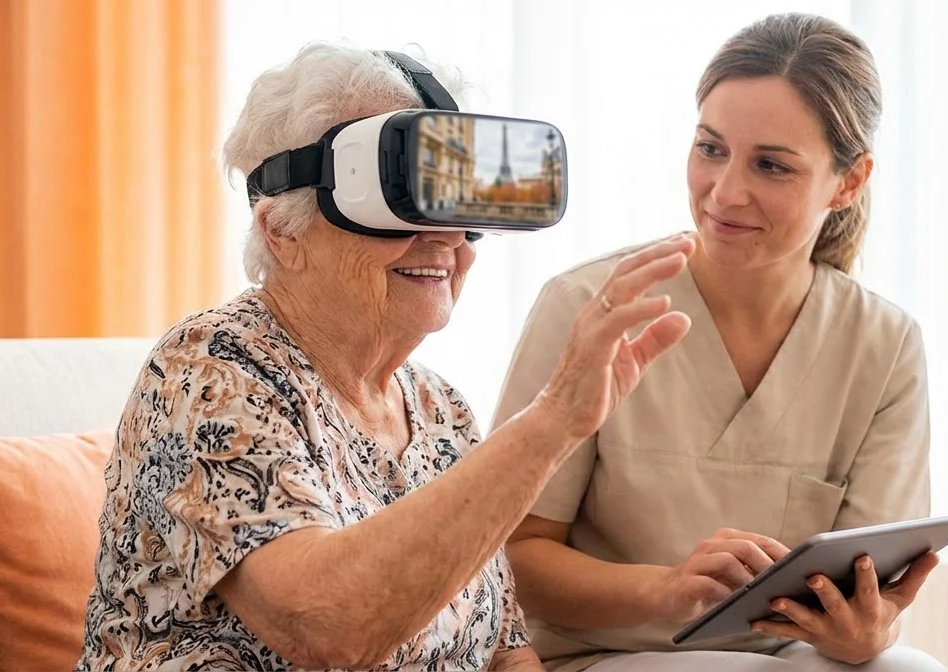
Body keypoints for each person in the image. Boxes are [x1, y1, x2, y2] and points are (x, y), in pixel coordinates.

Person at [76, 43, 700, 672]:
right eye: (397, 196)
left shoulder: (440, 409)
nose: (445, 238)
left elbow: (505, 648)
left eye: (457, 202)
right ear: (283, 232)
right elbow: (326, 631)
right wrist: (554, 419)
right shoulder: (211, 369)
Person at [492, 14, 948, 672]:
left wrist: (869, 635)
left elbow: (874, 598)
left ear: (848, 183)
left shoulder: (884, 345)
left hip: (788, 657)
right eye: (711, 149)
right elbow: (510, 558)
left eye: (770, 165)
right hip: (605, 656)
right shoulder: (590, 307)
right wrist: (665, 590)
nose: (725, 192)